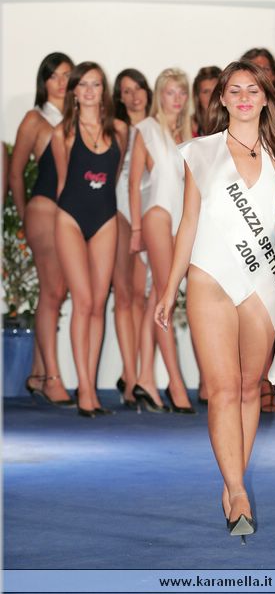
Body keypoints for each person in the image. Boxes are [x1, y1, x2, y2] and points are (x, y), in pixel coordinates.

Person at [155, 61, 275, 537]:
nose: (245, 97)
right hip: (209, 278)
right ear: (223, 99)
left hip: (260, 283)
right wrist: (169, 288)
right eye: (236, 90)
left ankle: (232, 483)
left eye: (253, 89)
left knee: (252, 388)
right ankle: (238, 491)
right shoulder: (202, 152)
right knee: (224, 388)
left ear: (266, 97)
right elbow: (188, 223)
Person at [52, 61, 127, 417]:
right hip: (69, 217)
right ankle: (83, 388)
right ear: (74, 92)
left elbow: (114, 177)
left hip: (105, 218)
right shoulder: (63, 132)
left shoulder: (120, 131)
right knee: (82, 301)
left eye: (95, 84)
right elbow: (63, 182)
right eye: (82, 85)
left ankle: (91, 389)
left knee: (98, 303)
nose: (89, 91)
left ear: (103, 91)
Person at [9, 52, 75, 407]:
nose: (61, 82)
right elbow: (16, 172)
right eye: (55, 76)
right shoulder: (35, 119)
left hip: (72, 216)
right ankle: (52, 378)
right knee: (54, 291)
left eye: (67, 75)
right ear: (44, 81)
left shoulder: (80, 118)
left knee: (56, 293)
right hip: (44, 209)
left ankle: (37, 373)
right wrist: (23, 215)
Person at [129, 68, 195, 414]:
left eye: (182, 92)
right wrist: (136, 229)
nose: (177, 98)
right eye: (171, 92)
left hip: (180, 220)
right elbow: (133, 183)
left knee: (157, 296)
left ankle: (144, 378)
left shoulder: (189, 133)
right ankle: (176, 383)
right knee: (165, 297)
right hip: (157, 214)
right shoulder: (147, 129)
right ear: (160, 95)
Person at [241, 47, 275, 413]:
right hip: (236, 225)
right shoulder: (228, 123)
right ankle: (241, 380)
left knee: (270, 301)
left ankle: (265, 380)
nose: (261, 74)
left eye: (265, 69)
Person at [112, 69, 153, 408]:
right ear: (119, 97)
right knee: (124, 295)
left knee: (142, 297)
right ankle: (129, 375)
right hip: (119, 210)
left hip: (151, 210)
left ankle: (140, 375)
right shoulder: (115, 129)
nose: (134, 96)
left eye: (138, 88)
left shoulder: (157, 128)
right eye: (126, 91)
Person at [192, 66, 221, 137]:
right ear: (197, 96)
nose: (212, 96)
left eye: (216, 91)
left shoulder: (235, 124)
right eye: (206, 92)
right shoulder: (187, 127)